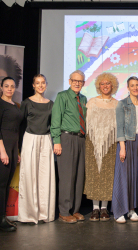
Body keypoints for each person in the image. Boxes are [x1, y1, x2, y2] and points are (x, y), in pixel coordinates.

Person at [112, 76, 138, 224]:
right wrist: (122, 147)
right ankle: (119, 211)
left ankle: (132, 209)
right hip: (127, 142)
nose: (135, 88)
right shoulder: (122, 104)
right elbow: (120, 127)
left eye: (137, 85)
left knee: (137, 176)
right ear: (127, 88)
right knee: (124, 176)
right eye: (132, 85)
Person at [18, 74, 55, 224]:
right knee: (29, 176)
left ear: (46, 84)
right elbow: (20, 125)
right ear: (33, 85)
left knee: (45, 177)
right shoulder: (27, 103)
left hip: (46, 140)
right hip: (30, 139)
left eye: (43, 83)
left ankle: (44, 213)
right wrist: (18, 149)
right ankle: (30, 214)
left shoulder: (51, 104)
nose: (40, 85)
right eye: (37, 83)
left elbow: (52, 125)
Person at [51, 70, 87, 224]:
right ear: (69, 81)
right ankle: (64, 211)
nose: (77, 83)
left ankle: (76, 209)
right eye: (75, 80)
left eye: (80, 81)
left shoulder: (84, 98)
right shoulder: (62, 96)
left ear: (84, 83)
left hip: (81, 139)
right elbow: (55, 120)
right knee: (66, 177)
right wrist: (56, 141)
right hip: (66, 138)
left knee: (79, 176)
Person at [83, 73, 119, 222]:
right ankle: (95, 209)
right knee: (94, 175)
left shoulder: (117, 104)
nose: (105, 86)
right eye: (102, 84)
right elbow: (87, 123)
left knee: (107, 175)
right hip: (93, 142)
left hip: (110, 143)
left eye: (108, 83)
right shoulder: (92, 102)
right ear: (98, 86)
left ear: (112, 86)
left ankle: (104, 208)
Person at [0, 77, 23, 232]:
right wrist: (3, 152)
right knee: (1, 184)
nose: (9, 89)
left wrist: (15, 151)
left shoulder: (15, 106)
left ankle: (3, 218)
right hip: (1, 148)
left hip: (11, 148)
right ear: (1, 88)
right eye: (6, 86)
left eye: (12, 86)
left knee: (7, 184)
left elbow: (16, 131)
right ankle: (0, 219)